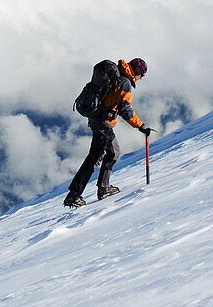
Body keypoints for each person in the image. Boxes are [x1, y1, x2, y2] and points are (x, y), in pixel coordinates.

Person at [64, 57, 153, 207]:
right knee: (96, 158)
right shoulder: (124, 82)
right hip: (103, 123)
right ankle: (76, 195)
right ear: (137, 72)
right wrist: (141, 126)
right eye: (142, 75)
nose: (141, 79)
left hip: (96, 119)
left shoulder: (117, 75)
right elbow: (125, 109)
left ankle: (102, 188)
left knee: (112, 152)